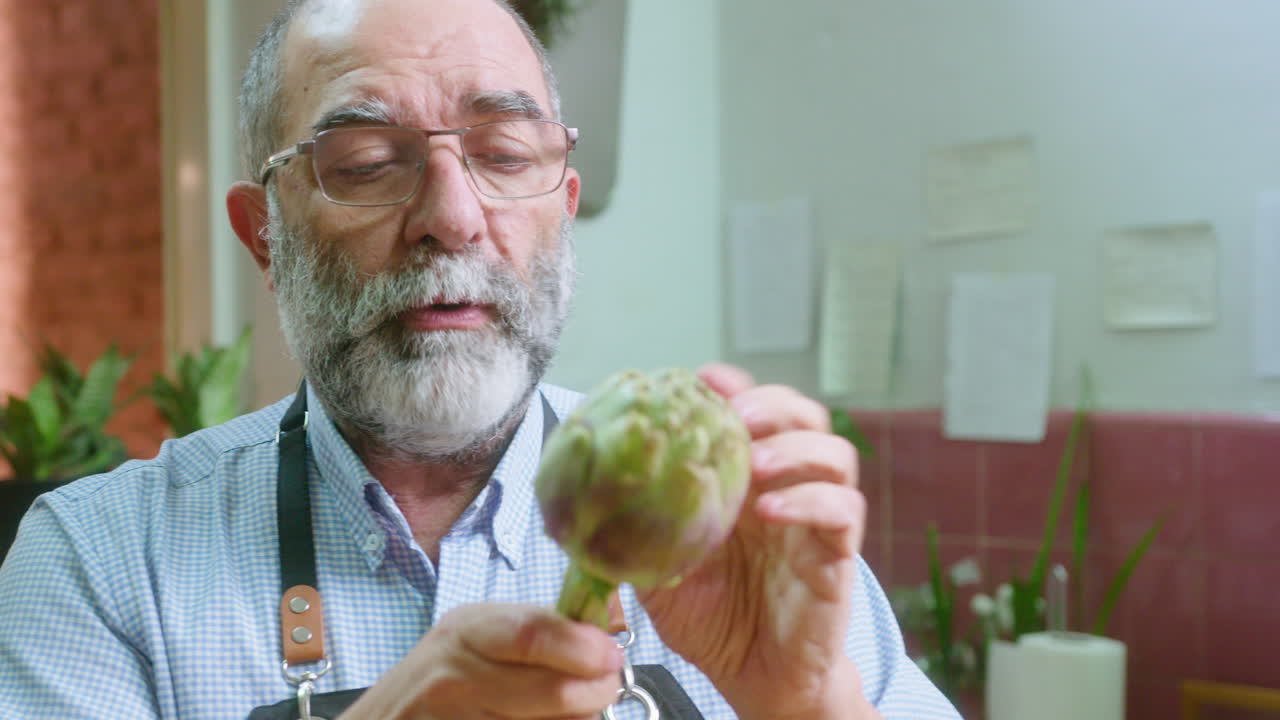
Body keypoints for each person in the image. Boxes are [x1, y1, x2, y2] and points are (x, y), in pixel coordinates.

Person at [0, 0, 961, 717]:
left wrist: (809, 708)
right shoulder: (103, 565)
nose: (454, 219)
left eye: (504, 154)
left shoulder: (741, 527)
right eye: (370, 163)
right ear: (264, 236)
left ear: (565, 205)